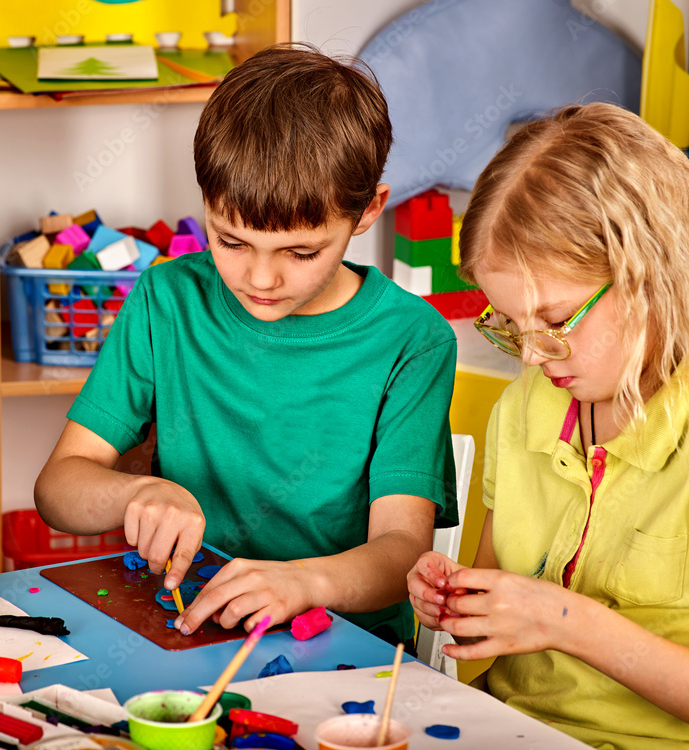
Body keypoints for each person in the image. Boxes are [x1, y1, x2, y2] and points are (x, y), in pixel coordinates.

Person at [36, 44, 458, 648]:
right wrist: (136, 491)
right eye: (230, 241)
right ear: (205, 202)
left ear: (368, 211)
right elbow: (57, 490)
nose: (260, 280)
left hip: (341, 644)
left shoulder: (412, 340)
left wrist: (302, 584)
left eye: (300, 252)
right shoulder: (166, 300)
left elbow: (400, 554)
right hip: (182, 624)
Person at [408, 102, 689, 747]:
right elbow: (492, 609)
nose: (532, 356)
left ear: (652, 275)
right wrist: (458, 601)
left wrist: (565, 621)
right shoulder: (527, 408)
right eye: (510, 325)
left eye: (557, 321)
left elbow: (553, 619)